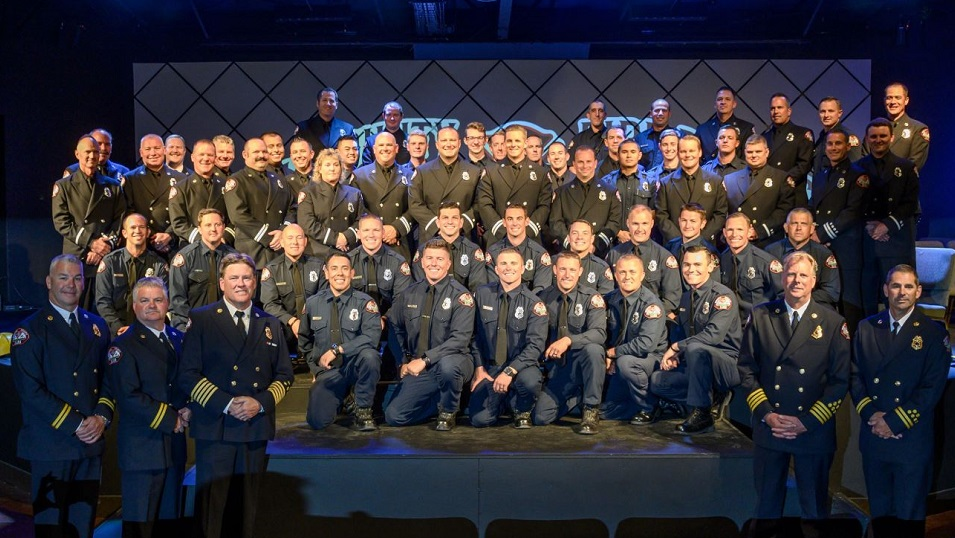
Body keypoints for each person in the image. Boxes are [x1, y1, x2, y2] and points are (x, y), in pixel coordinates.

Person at [178, 253, 294, 538]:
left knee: (247, 509)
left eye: (246, 278)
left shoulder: (270, 323)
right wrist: (228, 404)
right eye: (234, 278)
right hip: (217, 425)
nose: (241, 284)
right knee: (212, 508)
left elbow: (284, 376)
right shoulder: (202, 319)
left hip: (254, 426)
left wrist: (260, 403)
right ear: (222, 283)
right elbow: (188, 375)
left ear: (254, 283)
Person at [737, 251, 850, 537]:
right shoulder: (762, 315)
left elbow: (839, 382)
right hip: (770, 427)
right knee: (766, 511)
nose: (796, 280)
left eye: (803, 275)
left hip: (812, 430)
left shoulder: (833, 323)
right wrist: (766, 414)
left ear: (813, 281)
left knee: (813, 514)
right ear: (782, 277)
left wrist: (807, 422)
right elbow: (747, 369)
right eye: (791, 274)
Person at [11, 254, 114, 538]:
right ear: (49, 282)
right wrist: (77, 424)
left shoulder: (97, 326)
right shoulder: (29, 331)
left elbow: (108, 379)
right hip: (52, 443)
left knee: (84, 525)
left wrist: (101, 417)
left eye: (77, 277)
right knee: (52, 527)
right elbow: (30, 390)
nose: (71, 284)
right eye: (63, 277)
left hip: (90, 443)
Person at [851, 265, 950, 538]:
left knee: (908, 519)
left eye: (908, 287)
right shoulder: (867, 327)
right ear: (886, 290)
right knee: (880, 516)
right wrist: (873, 415)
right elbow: (855, 377)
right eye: (896, 286)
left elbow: (930, 389)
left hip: (910, 439)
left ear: (918, 291)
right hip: (875, 438)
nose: (901, 292)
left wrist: (893, 422)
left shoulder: (933, 333)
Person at [107, 277, 188, 537]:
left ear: (167, 304)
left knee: (169, 522)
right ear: (134, 306)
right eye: (144, 300)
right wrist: (171, 418)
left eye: (157, 299)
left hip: (174, 448)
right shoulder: (123, 345)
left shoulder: (178, 339)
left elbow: (188, 381)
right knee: (140, 525)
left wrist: (189, 408)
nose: (152, 305)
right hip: (142, 448)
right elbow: (128, 396)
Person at [384, 238, 476, 431]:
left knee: (448, 366)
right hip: (421, 368)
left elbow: (459, 340)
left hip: (454, 362)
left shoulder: (461, 296)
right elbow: (394, 327)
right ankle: (439, 401)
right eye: (430, 258)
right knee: (394, 416)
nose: (434, 263)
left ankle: (448, 411)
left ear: (449, 263)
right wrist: (403, 360)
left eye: (440, 259)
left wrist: (425, 360)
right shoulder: (409, 294)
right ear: (422, 261)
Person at [651, 245, 741, 434]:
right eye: (687, 265)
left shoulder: (723, 296)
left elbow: (713, 336)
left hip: (726, 364)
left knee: (695, 349)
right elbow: (686, 335)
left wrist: (677, 347)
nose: (691, 270)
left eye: (698, 264)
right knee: (658, 381)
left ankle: (703, 416)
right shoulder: (686, 298)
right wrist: (676, 355)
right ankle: (711, 400)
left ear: (710, 267)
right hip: (695, 363)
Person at [299, 252, 382, 431]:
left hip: (355, 367)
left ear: (352, 273)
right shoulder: (313, 303)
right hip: (329, 372)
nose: (340, 273)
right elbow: (304, 341)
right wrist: (315, 369)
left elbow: (372, 337)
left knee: (370, 356)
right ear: (326, 273)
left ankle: (363, 410)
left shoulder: (365, 302)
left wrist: (339, 350)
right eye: (334, 268)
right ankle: (346, 399)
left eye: (345, 269)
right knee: (317, 421)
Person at [468, 248, 548, 428]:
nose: (508, 268)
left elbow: (535, 346)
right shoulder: (481, 294)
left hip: (521, 367)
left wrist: (510, 371)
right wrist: (479, 368)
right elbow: (472, 336)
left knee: (529, 382)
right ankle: (503, 401)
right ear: (496, 269)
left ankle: (522, 409)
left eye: (513, 263)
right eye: (503, 263)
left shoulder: (534, 303)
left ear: (522, 269)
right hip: (490, 368)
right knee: (479, 420)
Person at [534, 253, 608, 434]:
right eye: (563, 269)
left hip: (580, 366)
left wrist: (568, 340)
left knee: (594, 349)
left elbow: (599, 333)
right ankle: (576, 397)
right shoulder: (542, 298)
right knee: (540, 417)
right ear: (554, 270)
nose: (567, 274)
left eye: (572, 270)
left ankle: (590, 409)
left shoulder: (592, 297)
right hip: (556, 370)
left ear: (580, 271)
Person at [52, 135, 126, 308]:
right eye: (87, 152)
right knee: (75, 307)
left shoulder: (112, 186)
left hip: (104, 256)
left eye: (95, 152)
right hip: (77, 255)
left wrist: (102, 248)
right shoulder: (64, 185)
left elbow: (118, 221)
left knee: (106, 308)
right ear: (77, 154)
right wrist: (91, 243)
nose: (92, 156)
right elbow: (61, 222)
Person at [856, 118, 920, 316]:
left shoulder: (907, 168)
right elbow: (853, 203)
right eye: (873, 136)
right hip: (867, 242)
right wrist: (870, 226)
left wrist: (887, 225)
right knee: (867, 298)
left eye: (883, 136)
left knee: (898, 298)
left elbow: (910, 203)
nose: (878, 140)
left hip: (897, 242)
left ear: (891, 137)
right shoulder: (856, 168)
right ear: (866, 139)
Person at [810, 130, 869, 333]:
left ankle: (851, 351)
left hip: (847, 248)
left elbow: (853, 212)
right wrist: (812, 230)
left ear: (847, 146)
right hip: (821, 247)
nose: (834, 148)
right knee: (824, 296)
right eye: (830, 144)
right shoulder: (820, 177)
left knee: (848, 300)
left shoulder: (858, 175)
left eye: (838, 144)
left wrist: (823, 234)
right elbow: (813, 208)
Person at [601, 254, 669, 424]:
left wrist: (614, 353)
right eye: (622, 272)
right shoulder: (608, 300)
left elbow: (646, 344)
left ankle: (650, 407)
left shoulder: (651, 305)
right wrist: (604, 355)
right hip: (620, 358)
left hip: (649, 359)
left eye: (632, 271)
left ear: (642, 275)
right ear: (616, 275)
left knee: (626, 363)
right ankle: (637, 404)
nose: (627, 276)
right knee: (605, 413)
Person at [223, 137, 296, 268]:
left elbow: (293, 208)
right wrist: (267, 237)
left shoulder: (279, 179)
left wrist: (283, 230)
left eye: (264, 151)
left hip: (279, 249)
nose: (261, 156)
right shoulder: (237, 180)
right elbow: (237, 215)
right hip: (252, 250)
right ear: (245, 155)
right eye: (256, 152)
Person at [477, 124, 552, 246]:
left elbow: (544, 206)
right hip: (499, 238)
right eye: (509, 141)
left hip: (529, 239)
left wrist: (527, 231)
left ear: (525, 143)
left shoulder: (541, 173)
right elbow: (484, 204)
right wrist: (502, 230)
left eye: (517, 140)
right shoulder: (491, 171)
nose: (513, 144)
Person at [96, 213, 170, 335]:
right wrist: (118, 328)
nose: (138, 231)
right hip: (116, 332)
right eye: (133, 227)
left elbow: (163, 301)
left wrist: (141, 329)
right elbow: (103, 301)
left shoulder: (159, 264)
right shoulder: (110, 262)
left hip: (149, 330)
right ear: (124, 233)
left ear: (147, 232)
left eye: (142, 227)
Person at [605, 205, 681, 317]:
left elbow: (672, 299)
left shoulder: (664, 257)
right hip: (619, 317)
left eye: (644, 223)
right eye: (635, 224)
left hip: (652, 319)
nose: (640, 229)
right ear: (627, 223)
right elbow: (608, 292)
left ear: (651, 224)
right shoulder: (614, 254)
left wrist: (646, 314)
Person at [260, 224, 326, 354]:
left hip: (314, 323)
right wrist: (292, 321)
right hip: (285, 326)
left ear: (305, 241)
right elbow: (270, 304)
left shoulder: (318, 266)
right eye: (290, 238)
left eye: (299, 238)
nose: (295, 242)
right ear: (282, 242)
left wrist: (308, 322)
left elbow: (324, 297)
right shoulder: (272, 269)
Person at [168, 208, 237, 330]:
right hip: (190, 324)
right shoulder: (185, 258)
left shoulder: (235, 259)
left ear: (224, 227)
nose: (213, 229)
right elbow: (177, 300)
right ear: (199, 229)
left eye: (218, 224)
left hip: (226, 325)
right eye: (208, 225)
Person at [352, 131, 416, 261]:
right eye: (381, 145)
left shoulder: (410, 176)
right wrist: (379, 230)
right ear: (374, 149)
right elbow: (358, 209)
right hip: (370, 241)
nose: (385, 149)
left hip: (399, 240)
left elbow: (415, 207)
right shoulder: (359, 176)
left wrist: (396, 228)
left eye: (389, 145)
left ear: (396, 148)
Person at [409, 126, 484, 238]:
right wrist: (436, 226)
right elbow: (415, 204)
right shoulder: (422, 171)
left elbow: (479, 204)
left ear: (459, 143)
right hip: (432, 235)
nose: (448, 144)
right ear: (437, 145)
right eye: (444, 140)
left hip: (463, 235)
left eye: (452, 140)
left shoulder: (474, 172)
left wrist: (461, 224)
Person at [722, 134, 794, 247]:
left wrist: (759, 231)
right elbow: (723, 211)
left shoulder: (780, 178)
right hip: (737, 241)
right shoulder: (730, 179)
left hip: (767, 241)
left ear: (767, 152)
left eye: (758, 151)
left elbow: (784, 211)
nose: (754, 155)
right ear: (744, 152)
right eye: (750, 152)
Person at [549, 146, 621, 257]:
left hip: (599, 253)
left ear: (595, 163)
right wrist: (571, 245)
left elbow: (614, 222)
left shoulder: (610, 191)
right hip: (569, 253)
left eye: (588, 161)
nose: (585, 166)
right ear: (574, 164)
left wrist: (596, 245)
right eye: (580, 162)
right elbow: (556, 223)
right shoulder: (561, 193)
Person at [654, 134, 728, 243]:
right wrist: (679, 240)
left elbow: (720, 214)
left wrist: (699, 239)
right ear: (678, 154)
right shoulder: (666, 183)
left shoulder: (715, 181)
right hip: (674, 245)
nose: (687, 155)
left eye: (691, 151)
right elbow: (661, 216)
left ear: (700, 152)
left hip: (705, 244)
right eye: (683, 151)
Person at [765, 209, 841, 310]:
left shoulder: (823, 254)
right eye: (794, 223)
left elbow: (831, 292)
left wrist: (801, 298)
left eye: (804, 224)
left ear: (812, 228)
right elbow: (765, 287)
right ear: (786, 227)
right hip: (779, 306)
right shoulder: (770, 252)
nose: (799, 228)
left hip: (814, 305)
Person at [124, 134, 186, 257]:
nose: (153, 153)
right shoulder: (131, 179)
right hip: (143, 243)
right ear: (141, 153)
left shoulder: (181, 178)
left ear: (164, 150)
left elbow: (184, 212)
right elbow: (128, 211)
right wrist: (149, 233)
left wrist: (169, 234)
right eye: (148, 149)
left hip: (172, 244)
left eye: (157, 148)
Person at [296, 148, 363, 259]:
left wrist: (346, 237)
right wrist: (336, 239)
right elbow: (307, 224)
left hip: (348, 251)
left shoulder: (354, 193)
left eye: (336, 165)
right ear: (319, 169)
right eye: (327, 165)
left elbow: (361, 221)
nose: (332, 169)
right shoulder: (308, 193)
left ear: (341, 169)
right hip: (318, 253)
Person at [168, 139, 235, 246]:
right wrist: (203, 239)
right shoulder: (181, 188)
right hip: (193, 246)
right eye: (201, 154)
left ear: (215, 158)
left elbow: (234, 217)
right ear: (192, 157)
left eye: (210, 155)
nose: (206, 158)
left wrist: (224, 237)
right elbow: (178, 223)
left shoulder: (226, 186)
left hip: (222, 245)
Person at [412, 201, 489, 292]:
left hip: (464, 305)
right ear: (438, 222)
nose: (450, 222)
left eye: (454, 218)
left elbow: (478, 288)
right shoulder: (424, 251)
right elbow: (419, 287)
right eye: (445, 218)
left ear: (461, 222)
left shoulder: (473, 251)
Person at [720, 213, 784, 321]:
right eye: (730, 230)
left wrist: (770, 321)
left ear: (749, 231)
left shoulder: (765, 261)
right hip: (730, 325)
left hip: (758, 324)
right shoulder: (722, 259)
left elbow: (783, 294)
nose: (734, 234)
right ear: (724, 233)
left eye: (740, 229)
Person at [485, 205, 553, 295]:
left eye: (519, 218)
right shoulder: (493, 253)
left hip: (529, 306)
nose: (514, 223)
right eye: (510, 219)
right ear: (504, 222)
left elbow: (542, 289)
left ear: (527, 221)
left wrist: (523, 303)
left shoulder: (540, 254)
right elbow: (492, 287)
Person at [762, 93, 814, 208]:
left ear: (789, 111)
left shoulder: (802, 134)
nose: (776, 111)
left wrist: (780, 182)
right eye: (772, 108)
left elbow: (804, 165)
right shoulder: (765, 137)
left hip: (793, 194)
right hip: (769, 195)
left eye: (780, 107)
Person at [665, 203, 721, 289]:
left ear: (703, 224)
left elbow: (714, 286)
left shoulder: (710, 252)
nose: (687, 226)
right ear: (679, 221)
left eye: (693, 221)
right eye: (684, 220)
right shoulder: (670, 246)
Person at [603, 138, 653, 232]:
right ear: (618, 155)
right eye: (624, 152)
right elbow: (602, 213)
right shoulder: (606, 182)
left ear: (639, 155)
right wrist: (617, 233)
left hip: (641, 238)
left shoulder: (651, 182)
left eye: (633, 152)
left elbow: (654, 212)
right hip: (613, 240)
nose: (629, 155)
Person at [695, 87, 756, 160]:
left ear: (734, 104)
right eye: (719, 99)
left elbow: (749, 157)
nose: (723, 102)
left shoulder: (746, 128)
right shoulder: (702, 130)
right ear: (715, 104)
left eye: (727, 99)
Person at [811, 97, 862, 179]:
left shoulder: (848, 136)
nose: (826, 115)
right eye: (822, 111)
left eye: (830, 111)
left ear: (840, 113)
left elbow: (854, 168)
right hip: (820, 187)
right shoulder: (821, 138)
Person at [293, 87, 355, 153]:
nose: (328, 104)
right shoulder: (303, 127)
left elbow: (353, 156)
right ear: (318, 103)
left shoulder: (348, 129)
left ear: (336, 105)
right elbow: (297, 153)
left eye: (331, 101)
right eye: (324, 100)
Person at [884, 82, 929, 169]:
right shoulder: (874, 128)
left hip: (902, 180)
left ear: (906, 100)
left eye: (898, 98)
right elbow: (865, 157)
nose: (893, 102)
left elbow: (915, 161)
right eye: (889, 98)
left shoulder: (918, 128)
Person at [566, 220, 614, 295]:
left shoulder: (601, 267)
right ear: (568, 238)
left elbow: (606, 298)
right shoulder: (554, 263)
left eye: (585, 233)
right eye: (575, 233)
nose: (579, 237)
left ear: (592, 239)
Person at [62, 128, 130, 180]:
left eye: (107, 144)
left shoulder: (123, 172)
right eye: (99, 144)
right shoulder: (73, 171)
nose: (103, 148)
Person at [362, 101, 410, 166]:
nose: (392, 118)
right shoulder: (371, 141)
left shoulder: (410, 141)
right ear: (383, 116)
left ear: (401, 117)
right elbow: (366, 169)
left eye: (395, 115)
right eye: (389, 114)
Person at [637, 99, 678, 169]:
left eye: (664, 110)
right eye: (657, 110)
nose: (660, 113)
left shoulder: (680, 136)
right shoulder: (640, 138)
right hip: (646, 179)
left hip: (674, 178)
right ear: (650, 113)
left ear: (669, 114)